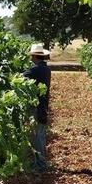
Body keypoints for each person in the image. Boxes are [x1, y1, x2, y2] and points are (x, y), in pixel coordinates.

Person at [23, 44, 52, 173]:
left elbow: (19, 78)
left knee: (37, 136)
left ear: (35, 56)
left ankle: (40, 165)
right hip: (43, 105)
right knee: (40, 134)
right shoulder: (46, 68)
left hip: (37, 106)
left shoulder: (35, 70)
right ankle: (41, 162)